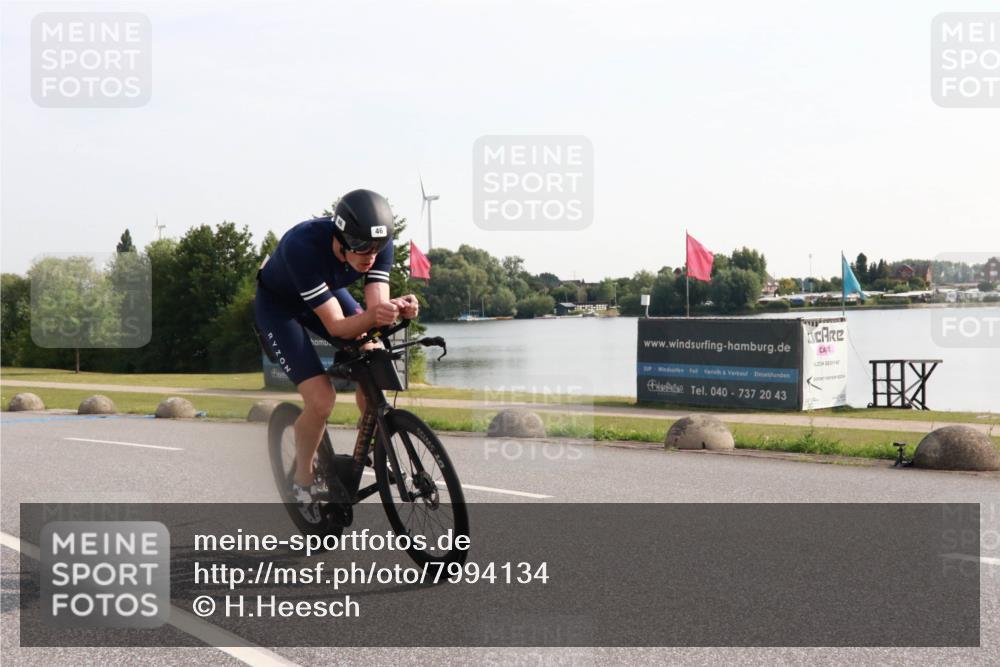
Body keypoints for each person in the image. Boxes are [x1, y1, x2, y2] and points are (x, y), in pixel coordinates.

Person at [254, 189, 419, 522]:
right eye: (361, 247)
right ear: (340, 236)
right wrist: (375, 316)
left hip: (325, 293)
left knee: (373, 354)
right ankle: (302, 480)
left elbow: (375, 312)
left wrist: (397, 309)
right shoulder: (303, 246)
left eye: (377, 247)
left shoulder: (377, 245)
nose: (370, 256)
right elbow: (338, 326)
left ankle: (369, 443)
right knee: (321, 400)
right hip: (280, 308)